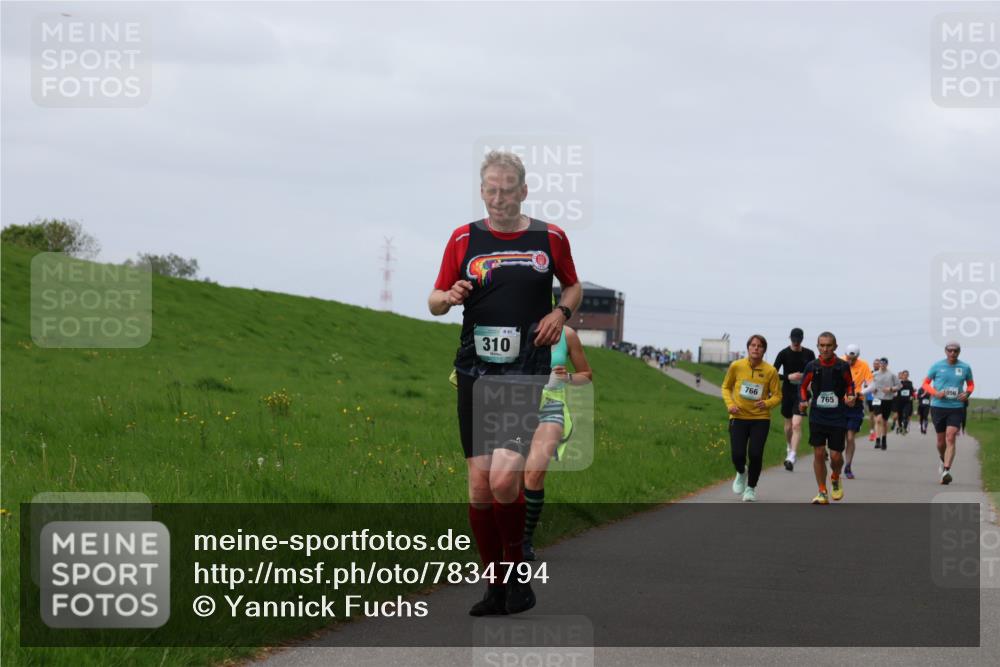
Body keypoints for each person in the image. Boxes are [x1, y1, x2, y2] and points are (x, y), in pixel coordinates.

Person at [429, 151, 582, 616]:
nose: (499, 198)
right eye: (491, 189)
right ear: (482, 191)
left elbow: (573, 286)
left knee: (503, 478)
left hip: (524, 370)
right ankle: (497, 588)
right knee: (479, 485)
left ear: (524, 190)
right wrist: (449, 295)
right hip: (475, 369)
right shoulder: (462, 238)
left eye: (508, 188)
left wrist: (560, 313)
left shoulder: (550, 237)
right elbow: (435, 300)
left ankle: (517, 575)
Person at [522, 325, 592, 560]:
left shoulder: (567, 335)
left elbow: (586, 374)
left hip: (552, 406)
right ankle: (508, 533)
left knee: (534, 472)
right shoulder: (518, 325)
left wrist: (568, 377)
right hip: (517, 405)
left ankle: (525, 540)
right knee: (510, 475)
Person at [721, 335, 782, 501]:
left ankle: (750, 488)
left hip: (760, 419)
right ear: (748, 348)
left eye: (760, 346)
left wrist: (767, 403)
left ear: (764, 350)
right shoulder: (736, 366)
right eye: (753, 345)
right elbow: (726, 387)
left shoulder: (770, 371)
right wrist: (730, 404)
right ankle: (741, 472)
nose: (756, 348)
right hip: (738, 416)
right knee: (737, 454)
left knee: (755, 454)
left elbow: (777, 396)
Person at [799, 332, 856, 504]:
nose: (825, 349)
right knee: (818, 453)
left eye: (828, 345)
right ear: (817, 347)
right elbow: (802, 387)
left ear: (835, 347)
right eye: (822, 345)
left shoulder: (842, 366)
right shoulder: (812, 366)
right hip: (817, 415)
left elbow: (849, 385)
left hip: (837, 416)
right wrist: (802, 401)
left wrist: (851, 397)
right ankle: (822, 491)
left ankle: (835, 477)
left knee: (836, 456)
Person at [922, 342, 975, 484]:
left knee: (950, 437)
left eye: (955, 351)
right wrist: (936, 393)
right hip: (938, 406)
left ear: (959, 352)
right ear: (945, 351)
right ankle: (942, 458)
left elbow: (970, 384)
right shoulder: (937, 366)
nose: (952, 353)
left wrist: (968, 393)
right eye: (950, 350)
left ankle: (946, 470)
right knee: (940, 442)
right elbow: (925, 384)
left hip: (956, 407)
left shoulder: (965, 367)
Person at [772, 327, 816, 472]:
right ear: (790, 338)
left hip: (802, 392)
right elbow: (773, 373)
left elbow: (815, 372)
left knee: (797, 425)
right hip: (787, 392)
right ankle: (789, 447)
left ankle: (792, 456)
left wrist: (807, 381)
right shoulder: (783, 353)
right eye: (794, 340)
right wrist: (788, 377)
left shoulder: (809, 354)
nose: (796, 343)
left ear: (802, 339)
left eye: (798, 340)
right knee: (788, 426)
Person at [841, 344, 874, 479]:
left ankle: (848, 465)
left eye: (853, 359)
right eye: (849, 358)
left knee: (850, 436)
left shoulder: (864, 365)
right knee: (838, 437)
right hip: (840, 403)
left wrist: (859, 393)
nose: (850, 361)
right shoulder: (839, 363)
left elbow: (872, 385)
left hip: (856, 403)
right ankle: (837, 461)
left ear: (857, 357)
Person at [870, 357, 900, 450]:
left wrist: (890, 389)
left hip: (887, 399)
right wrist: (872, 389)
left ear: (887, 364)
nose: (882, 365)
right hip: (876, 398)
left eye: (884, 363)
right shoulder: (874, 374)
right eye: (881, 363)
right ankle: (877, 440)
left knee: (884, 421)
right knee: (878, 419)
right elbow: (869, 384)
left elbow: (899, 386)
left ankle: (884, 440)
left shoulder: (891, 375)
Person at [895, 370, 915, 434]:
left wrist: (912, 396)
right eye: (904, 375)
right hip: (900, 401)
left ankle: (905, 428)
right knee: (900, 416)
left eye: (907, 375)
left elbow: (911, 391)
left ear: (908, 376)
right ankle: (900, 427)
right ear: (902, 375)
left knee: (905, 415)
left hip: (907, 402)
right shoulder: (899, 383)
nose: (905, 376)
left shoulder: (910, 383)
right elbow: (896, 391)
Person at [866, 358, 881, 442]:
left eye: (878, 364)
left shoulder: (882, 374)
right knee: (871, 416)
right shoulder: (870, 373)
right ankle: (872, 432)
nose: (876, 365)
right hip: (870, 397)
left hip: (879, 397)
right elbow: (866, 384)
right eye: (875, 364)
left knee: (877, 416)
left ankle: (877, 432)